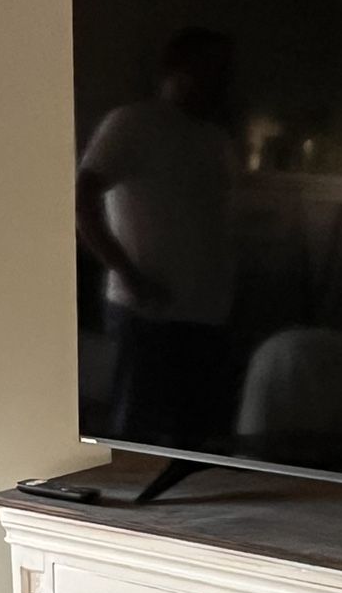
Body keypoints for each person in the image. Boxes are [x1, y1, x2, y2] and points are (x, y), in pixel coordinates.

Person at [76, 26, 239, 448]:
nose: (222, 80)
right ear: (178, 70)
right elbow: (82, 198)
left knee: (198, 443)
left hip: (208, 317)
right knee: (138, 438)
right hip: (148, 314)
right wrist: (128, 274)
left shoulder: (215, 138)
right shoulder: (133, 123)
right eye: (213, 69)